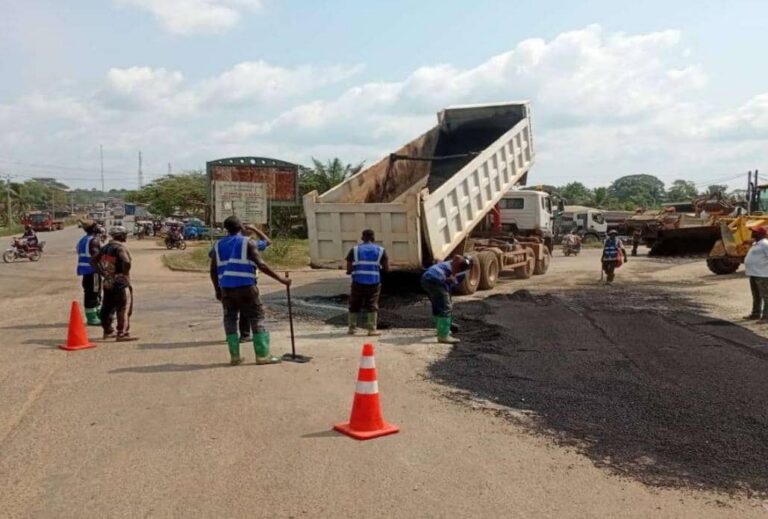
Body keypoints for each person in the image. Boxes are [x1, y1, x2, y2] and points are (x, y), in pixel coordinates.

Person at [209, 216, 291, 366]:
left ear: (226, 229)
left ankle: (235, 357)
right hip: (246, 287)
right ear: (241, 226)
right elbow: (262, 265)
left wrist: (217, 290)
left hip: (226, 288)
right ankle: (262, 355)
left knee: (230, 318)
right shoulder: (247, 242)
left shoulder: (217, 245)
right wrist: (281, 280)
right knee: (257, 316)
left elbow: (213, 271)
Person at [92, 226, 136, 341]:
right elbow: (126, 261)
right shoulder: (119, 248)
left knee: (107, 306)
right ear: (120, 236)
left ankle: (107, 331)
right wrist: (124, 274)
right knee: (123, 307)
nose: (126, 236)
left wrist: (103, 274)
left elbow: (93, 261)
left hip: (108, 281)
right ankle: (122, 333)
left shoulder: (105, 248)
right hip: (120, 281)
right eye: (125, 234)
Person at [345, 229, 389, 336]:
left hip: (358, 281)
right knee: (372, 304)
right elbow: (386, 269)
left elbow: (349, 269)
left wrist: (351, 271)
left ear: (362, 238)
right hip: (374, 282)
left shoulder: (354, 250)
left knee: (354, 303)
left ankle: (352, 328)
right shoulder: (381, 250)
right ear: (373, 238)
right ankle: (371, 329)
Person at [420, 255, 472, 344]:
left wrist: (447, 295)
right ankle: (443, 335)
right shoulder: (461, 266)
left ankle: (442, 327)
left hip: (426, 278)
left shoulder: (452, 265)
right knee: (445, 306)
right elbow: (457, 258)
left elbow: (449, 286)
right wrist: (453, 276)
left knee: (438, 303)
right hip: (435, 280)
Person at [238, 224, 273, 343]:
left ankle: (242, 335)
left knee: (236, 312)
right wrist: (256, 229)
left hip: (231, 281)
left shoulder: (233, 243)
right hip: (248, 281)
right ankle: (261, 348)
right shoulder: (251, 243)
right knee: (256, 312)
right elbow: (268, 242)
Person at [76, 221, 103, 325]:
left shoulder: (82, 240)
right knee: (94, 293)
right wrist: (103, 272)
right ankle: (92, 317)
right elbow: (96, 258)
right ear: (94, 229)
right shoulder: (94, 240)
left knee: (91, 292)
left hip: (85, 270)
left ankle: (96, 313)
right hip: (93, 271)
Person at [744, 226, 768, 321]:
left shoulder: (765, 244)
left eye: (755, 232)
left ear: (761, 234)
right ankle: (755, 314)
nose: (752, 233)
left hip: (762, 275)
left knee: (765, 296)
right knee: (756, 295)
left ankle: (766, 316)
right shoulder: (756, 243)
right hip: (753, 274)